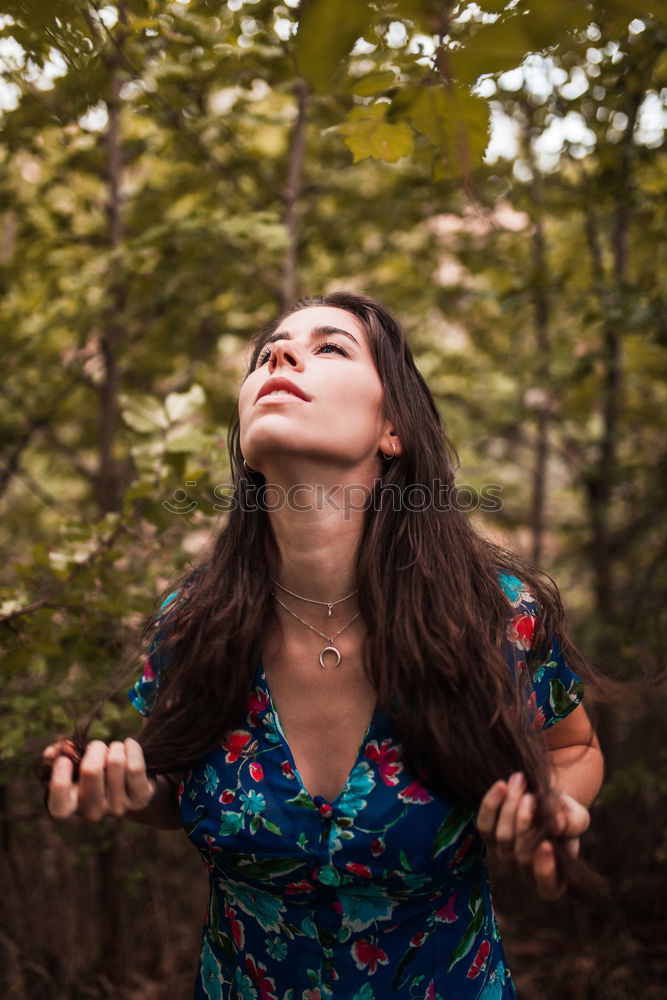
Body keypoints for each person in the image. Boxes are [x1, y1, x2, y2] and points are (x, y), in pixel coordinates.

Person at [43, 291, 604, 1000]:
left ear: (391, 427)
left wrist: (555, 804)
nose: (279, 355)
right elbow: (179, 795)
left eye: (330, 346)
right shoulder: (190, 625)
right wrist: (127, 790)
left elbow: (574, 750)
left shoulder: (494, 614)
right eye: (267, 351)